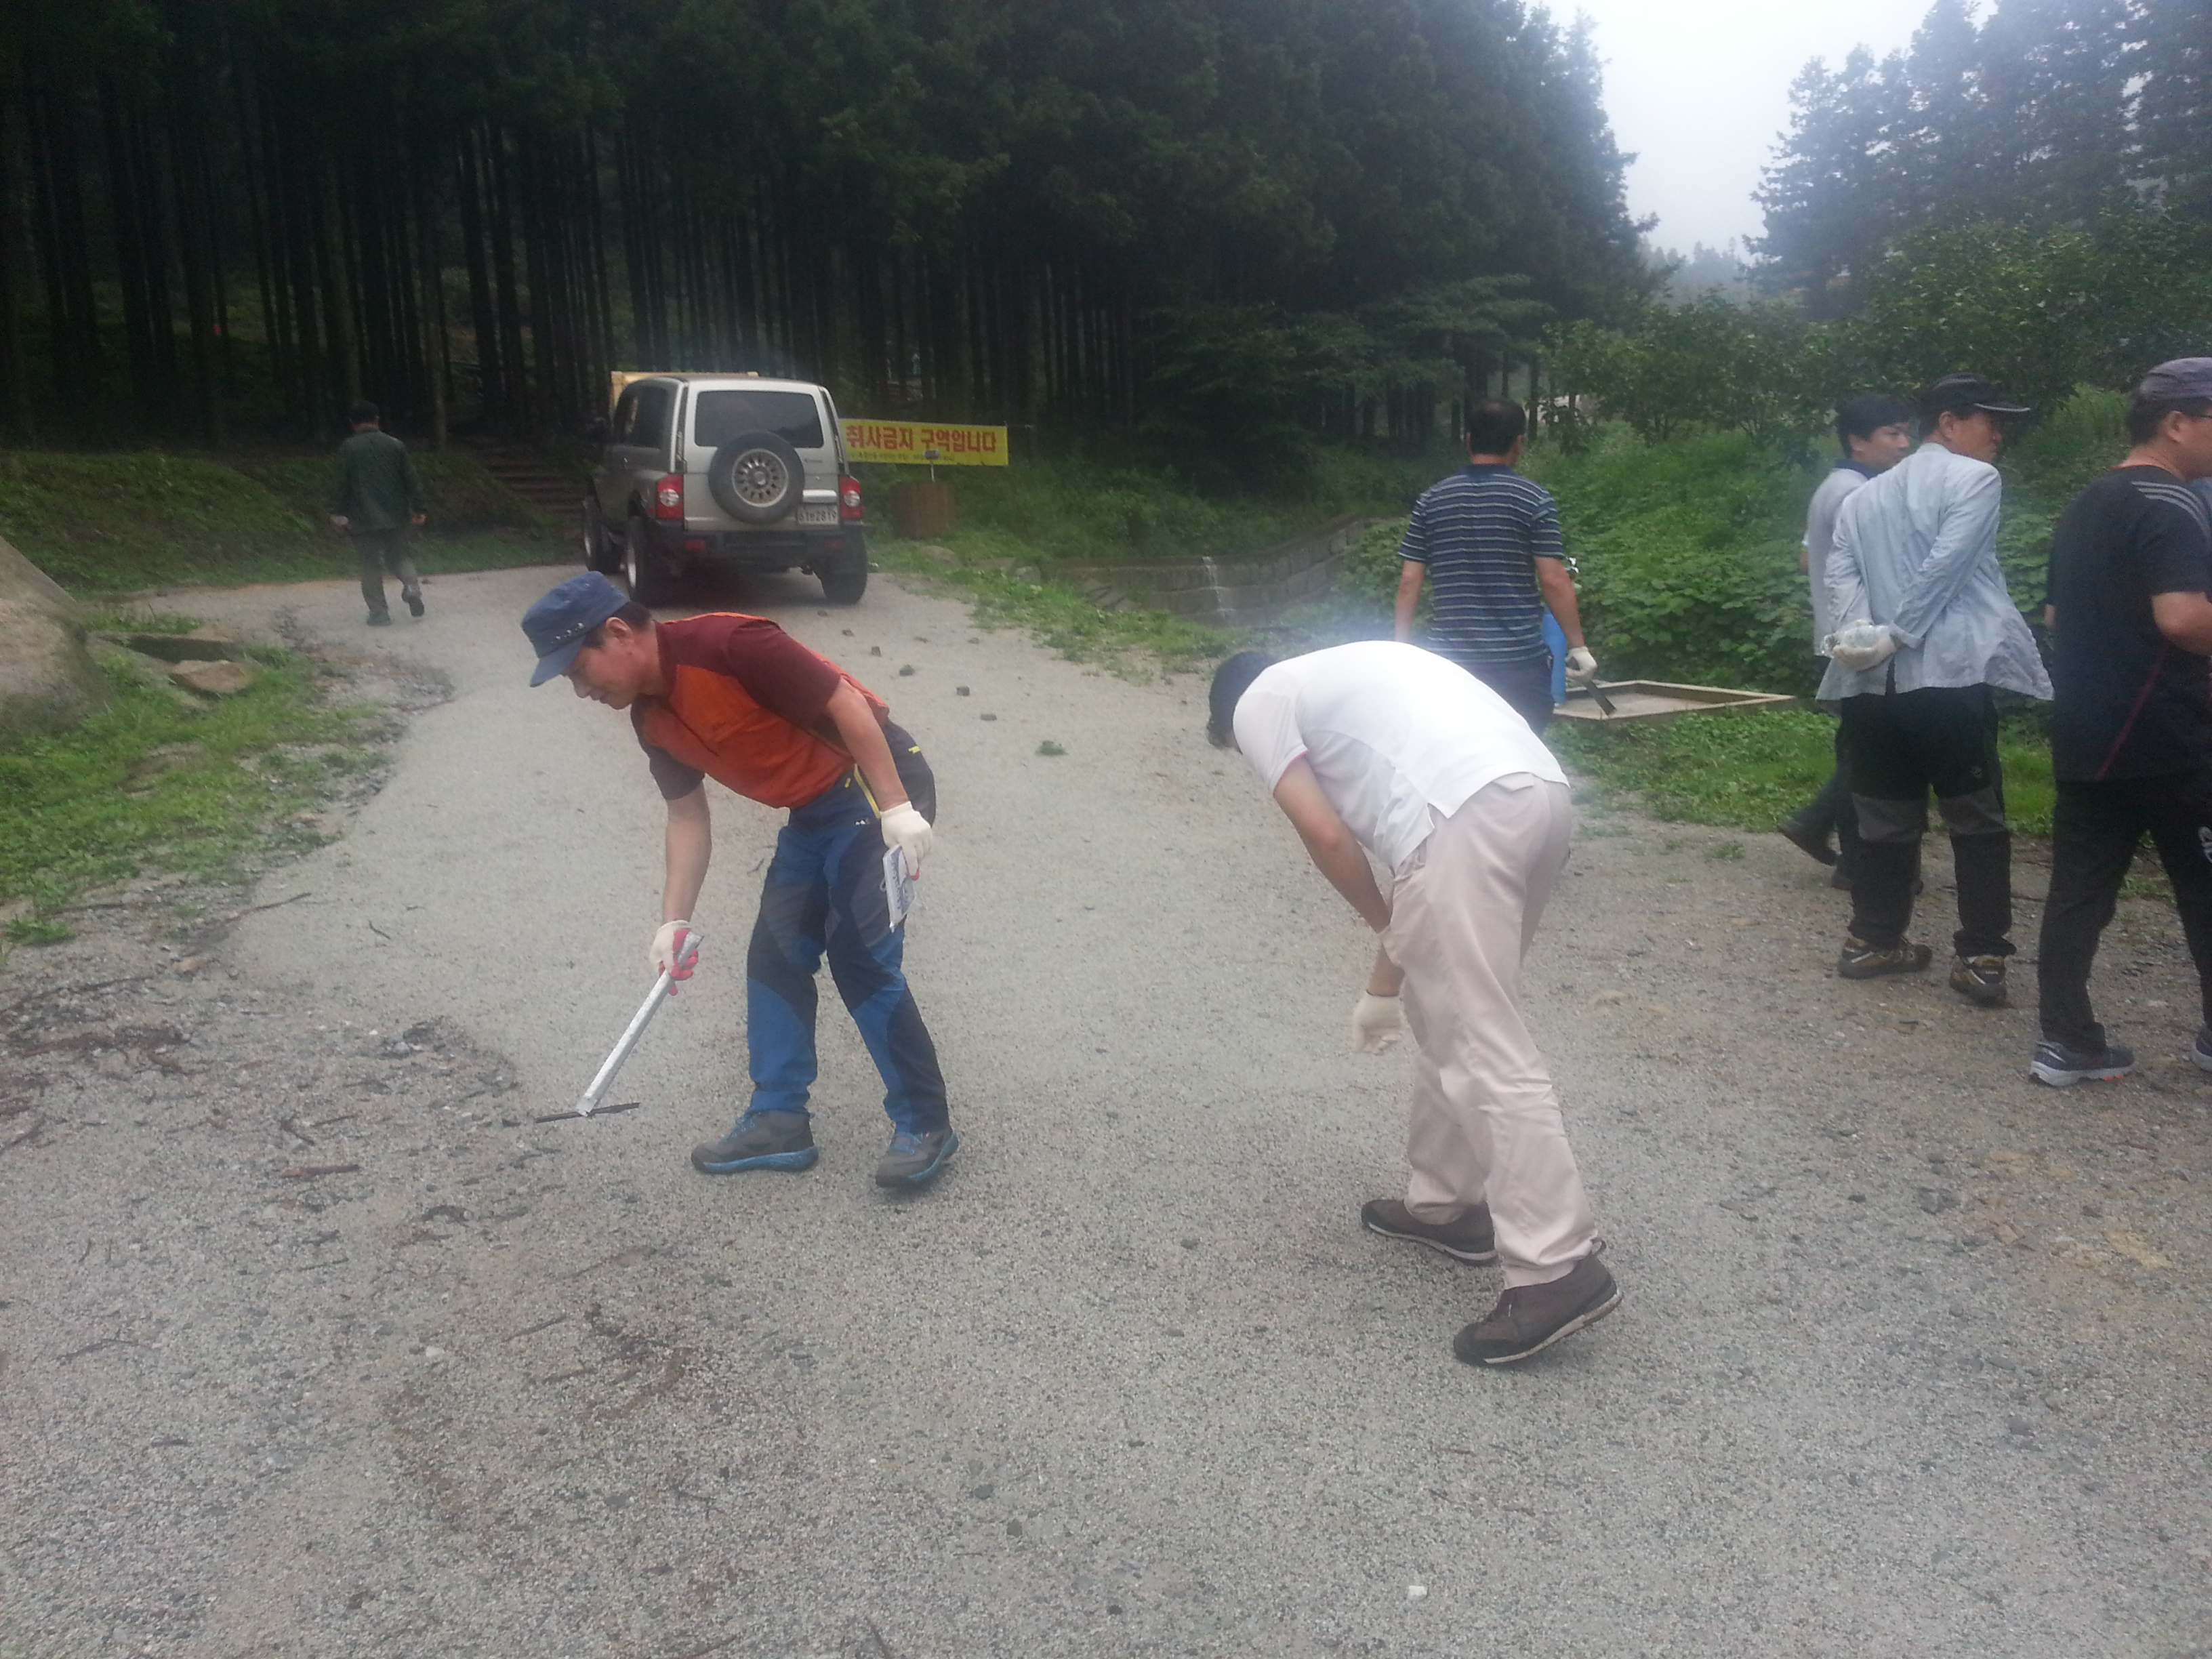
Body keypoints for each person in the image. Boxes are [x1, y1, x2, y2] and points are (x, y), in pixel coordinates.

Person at [1208, 641, 1618, 1366]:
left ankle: (1557, 1267)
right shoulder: (1364, 674)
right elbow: (1418, 870)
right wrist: (1387, 981)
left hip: (1465, 814)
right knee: (1452, 1016)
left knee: (1482, 1042)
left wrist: (1386, 926)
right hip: (1537, 795)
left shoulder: (1260, 701)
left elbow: (1328, 834)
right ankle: (1447, 1204)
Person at [520, 573, 958, 1188]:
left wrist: (896, 809)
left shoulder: (730, 645)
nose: (580, 689)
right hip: (813, 811)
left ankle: (925, 1123)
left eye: (577, 669)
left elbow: (846, 704)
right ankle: (780, 1119)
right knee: (776, 956)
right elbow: (686, 816)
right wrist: (673, 921)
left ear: (617, 632)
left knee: (860, 956)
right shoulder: (652, 719)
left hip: (874, 784)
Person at [1820, 373, 2051, 1005]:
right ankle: (1980, 955)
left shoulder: (1864, 497)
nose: (1999, 435)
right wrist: (1898, 634)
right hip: (1947, 677)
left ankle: (1874, 938)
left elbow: (1839, 574)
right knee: (1975, 815)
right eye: (1989, 420)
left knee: (1884, 815)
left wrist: (1861, 636)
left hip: (1870, 684)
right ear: (1949, 423)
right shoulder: (1975, 480)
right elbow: (1946, 565)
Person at [2030, 359, 2212, 1086]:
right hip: (2170, 737)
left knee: (2079, 889)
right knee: (2204, 890)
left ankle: (2067, 1042)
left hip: (2085, 729)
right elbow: (2183, 616)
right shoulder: (2172, 503)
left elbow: (2054, 616)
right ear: (2177, 424)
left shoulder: (2088, 502)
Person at [1776, 394, 1914, 884]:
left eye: (1904, 432)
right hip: (1863, 641)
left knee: (1860, 747)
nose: (1904, 443)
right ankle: (1833, 837)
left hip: (1845, 636)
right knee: (1874, 753)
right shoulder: (1858, 493)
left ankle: (1850, 858)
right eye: (1891, 434)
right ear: (1857, 441)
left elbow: (1806, 560)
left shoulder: (1837, 486)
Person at [1393, 398, 1597, 730]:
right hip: (1519, 665)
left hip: (1451, 666)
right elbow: (1554, 580)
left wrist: (1400, 649)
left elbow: (1409, 581)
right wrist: (1579, 647)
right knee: (1521, 762)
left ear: (1469, 440)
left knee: (1459, 762)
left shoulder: (1432, 500)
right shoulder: (1534, 499)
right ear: (1518, 444)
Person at [328, 401, 429, 626]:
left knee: (370, 564)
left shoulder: (349, 448)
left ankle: (379, 613)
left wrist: (337, 512)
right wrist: (420, 507)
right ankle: (412, 588)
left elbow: (342, 484)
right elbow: (411, 479)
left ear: (352, 424)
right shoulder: (395, 445)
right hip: (396, 515)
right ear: (377, 420)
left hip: (362, 519)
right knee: (400, 556)